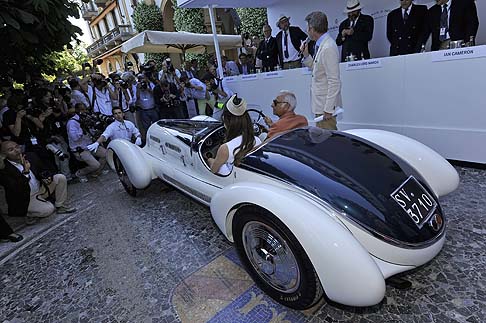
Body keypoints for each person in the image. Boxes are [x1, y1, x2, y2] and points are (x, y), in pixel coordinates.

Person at [0, 141, 76, 220]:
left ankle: (60, 206)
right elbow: (16, 188)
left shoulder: (30, 156)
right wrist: (26, 172)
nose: (16, 150)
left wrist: (47, 177)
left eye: (17, 147)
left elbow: (44, 169)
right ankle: (28, 214)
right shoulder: (4, 169)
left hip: (41, 189)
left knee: (60, 177)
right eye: (11, 150)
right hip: (26, 198)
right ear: (4, 155)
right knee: (49, 210)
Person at [301, 11, 342, 130]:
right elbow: (317, 69)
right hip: (321, 106)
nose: (307, 31)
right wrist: (306, 55)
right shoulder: (322, 44)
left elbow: (334, 81)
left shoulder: (328, 47)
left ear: (312, 29)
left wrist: (328, 109)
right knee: (324, 141)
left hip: (325, 108)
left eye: (308, 28)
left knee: (328, 142)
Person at [207, 95, 261, 175]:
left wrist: (209, 159)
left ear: (227, 121)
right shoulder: (256, 140)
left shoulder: (225, 148)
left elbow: (213, 170)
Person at [66, 103, 107, 182]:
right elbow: (74, 138)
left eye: (85, 109)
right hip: (80, 149)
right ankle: (79, 173)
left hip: (89, 145)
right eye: (82, 110)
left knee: (106, 154)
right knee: (96, 165)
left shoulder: (87, 118)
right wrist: (82, 128)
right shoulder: (72, 122)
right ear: (77, 110)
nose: (84, 111)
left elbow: (92, 132)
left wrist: (94, 128)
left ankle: (97, 172)